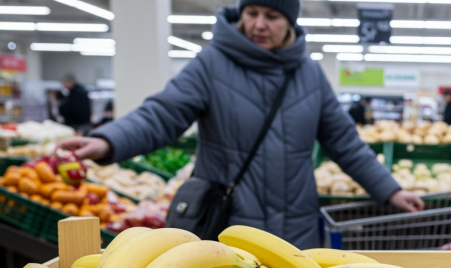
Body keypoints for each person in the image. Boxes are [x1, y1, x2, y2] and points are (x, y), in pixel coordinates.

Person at [56, 0, 423, 250]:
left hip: (297, 230)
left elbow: (345, 142)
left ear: (290, 22)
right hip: (228, 227)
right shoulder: (212, 64)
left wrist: (390, 191)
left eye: (272, 16)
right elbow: (162, 113)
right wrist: (106, 141)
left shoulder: (309, 74)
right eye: (251, 12)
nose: (259, 24)